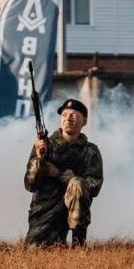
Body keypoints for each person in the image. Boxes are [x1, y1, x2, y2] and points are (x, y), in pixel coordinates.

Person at [24, 98, 103, 247]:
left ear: (84, 121)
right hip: (46, 208)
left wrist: (60, 175)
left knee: (78, 183)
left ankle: (78, 244)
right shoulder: (45, 146)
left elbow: (94, 186)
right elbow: (30, 185)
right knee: (36, 251)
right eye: (64, 115)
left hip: (76, 209)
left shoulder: (91, 151)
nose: (68, 118)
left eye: (74, 115)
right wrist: (39, 161)